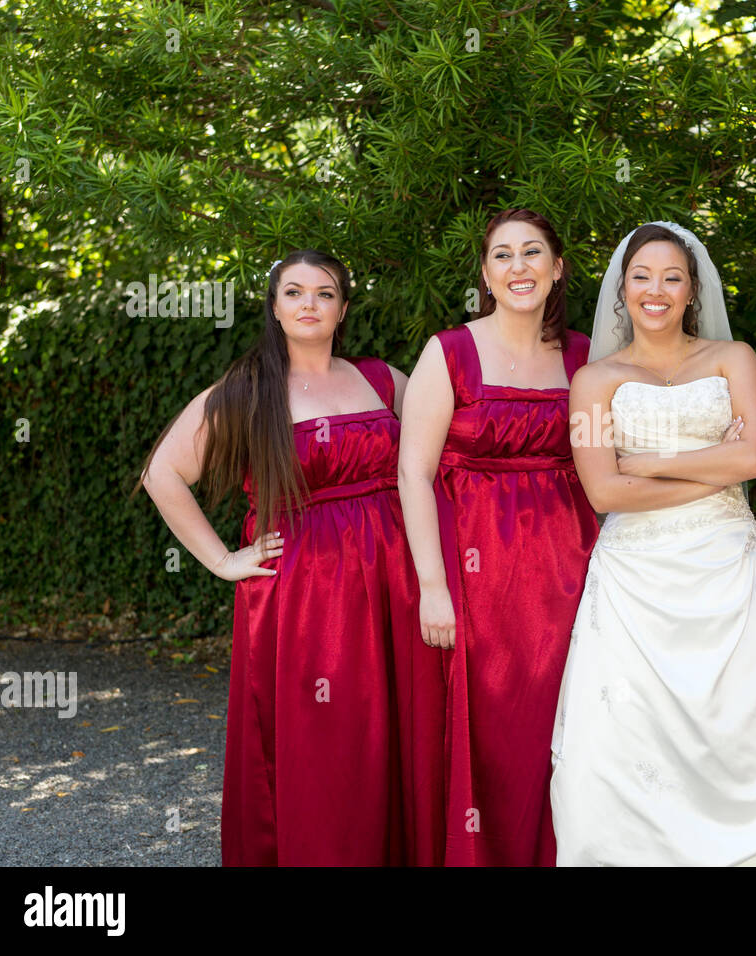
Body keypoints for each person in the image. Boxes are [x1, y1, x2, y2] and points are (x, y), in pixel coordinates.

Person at [549, 221, 756, 866]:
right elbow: (604, 493)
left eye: (672, 277)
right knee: (630, 743)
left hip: (727, 569)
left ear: (692, 291)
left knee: (751, 729)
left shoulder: (731, 360)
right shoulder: (592, 382)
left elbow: (754, 458)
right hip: (635, 583)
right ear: (622, 288)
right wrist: (710, 461)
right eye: (642, 276)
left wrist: (645, 461)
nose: (656, 291)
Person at [138, 250, 444, 865]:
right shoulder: (247, 391)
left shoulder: (383, 379)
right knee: (326, 749)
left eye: (324, 293)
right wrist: (224, 560)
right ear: (275, 309)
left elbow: (442, 459)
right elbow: (162, 472)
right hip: (307, 599)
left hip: (394, 582)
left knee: (395, 739)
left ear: (343, 309)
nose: (309, 304)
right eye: (294, 293)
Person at [399, 209, 598, 866]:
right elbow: (414, 471)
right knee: (485, 728)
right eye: (503, 256)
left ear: (557, 266)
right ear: (485, 273)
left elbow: (618, 459)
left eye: (533, 252)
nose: (519, 267)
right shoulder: (449, 351)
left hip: (570, 572)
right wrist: (432, 586)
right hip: (474, 573)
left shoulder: (585, 355)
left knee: (563, 724)